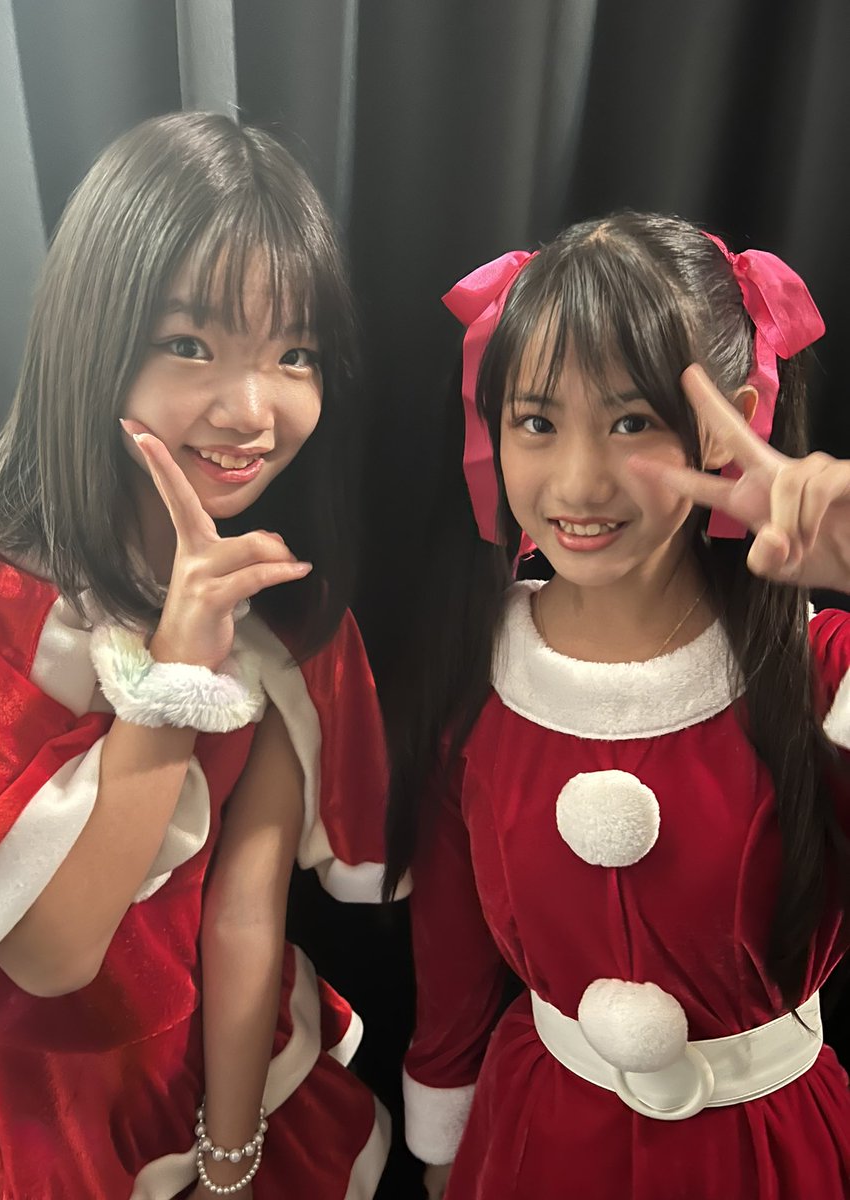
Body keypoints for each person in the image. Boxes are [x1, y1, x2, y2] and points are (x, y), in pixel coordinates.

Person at [0, 111, 396, 1200]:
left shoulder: (286, 611)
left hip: (198, 1076)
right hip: (11, 1116)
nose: (252, 411)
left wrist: (230, 1160)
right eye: (190, 344)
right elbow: (52, 955)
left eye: (294, 354)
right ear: (93, 336)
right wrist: (178, 668)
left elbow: (246, 909)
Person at [382, 211, 850, 1198]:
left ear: (730, 423)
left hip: (768, 1157)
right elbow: (453, 949)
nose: (579, 481)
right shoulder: (478, 674)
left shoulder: (820, 675)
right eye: (536, 421)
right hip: (530, 1140)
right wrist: (444, 1137)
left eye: (632, 421)